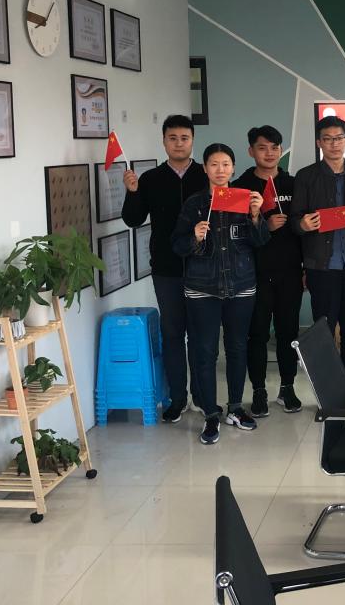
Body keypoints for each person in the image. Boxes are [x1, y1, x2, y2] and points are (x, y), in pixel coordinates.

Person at [172, 144, 270, 445]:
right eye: (214, 164)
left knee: (237, 347)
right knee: (205, 351)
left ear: (233, 167)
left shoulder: (244, 199)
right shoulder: (194, 204)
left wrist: (256, 215)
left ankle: (235, 408)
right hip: (202, 288)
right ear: (205, 168)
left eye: (226, 164)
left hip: (241, 285)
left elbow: (261, 241)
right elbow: (177, 245)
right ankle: (211, 413)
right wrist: (194, 236)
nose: (220, 170)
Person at [121, 114, 207, 423]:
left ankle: (203, 396)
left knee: (201, 336)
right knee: (172, 334)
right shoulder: (151, 179)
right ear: (164, 141)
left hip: (204, 267)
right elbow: (133, 219)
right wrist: (132, 192)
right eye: (173, 138)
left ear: (192, 140)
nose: (179, 143)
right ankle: (177, 398)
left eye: (184, 138)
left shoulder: (206, 175)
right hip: (166, 268)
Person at [289, 115, 345, 409]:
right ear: (319, 143)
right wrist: (303, 224)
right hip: (321, 266)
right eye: (327, 139)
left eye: (339, 138)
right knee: (324, 333)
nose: (334, 144)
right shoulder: (306, 176)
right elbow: (295, 221)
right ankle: (327, 393)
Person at [232, 125, 303, 417]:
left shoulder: (294, 184)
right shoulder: (240, 186)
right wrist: (264, 225)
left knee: (288, 333)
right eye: (262, 148)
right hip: (255, 273)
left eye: (275, 147)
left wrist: (305, 268)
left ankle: (288, 387)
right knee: (257, 335)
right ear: (251, 151)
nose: (270, 153)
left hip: (290, 272)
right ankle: (258, 390)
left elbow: (303, 229)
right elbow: (234, 233)